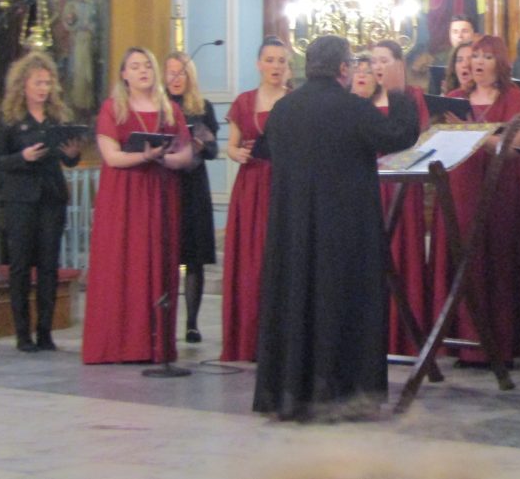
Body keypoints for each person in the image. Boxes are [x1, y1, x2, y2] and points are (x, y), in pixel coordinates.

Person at [253, 35, 419, 421]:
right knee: (340, 300)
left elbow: (267, 150)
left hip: (293, 228)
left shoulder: (283, 109)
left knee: (297, 301)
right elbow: (399, 136)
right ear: (343, 69)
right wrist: (398, 93)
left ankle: (289, 392)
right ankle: (341, 393)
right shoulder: (352, 108)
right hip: (345, 227)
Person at [431, 35, 520, 363]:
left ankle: (500, 344)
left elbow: (517, 143)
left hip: (500, 187)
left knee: (496, 259)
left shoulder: (512, 96)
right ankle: (465, 343)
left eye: (486, 57)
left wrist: (475, 134)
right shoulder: (455, 98)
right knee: (464, 257)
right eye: (475, 56)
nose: (477, 62)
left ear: (500, 63)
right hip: (461, 185)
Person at [82, 47, 193, 364]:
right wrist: (145, 156)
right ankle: (119, 344)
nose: (143, 71)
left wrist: (163, 159)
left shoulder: (170, 109)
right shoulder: (112, 108)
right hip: (124, 196)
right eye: (135, 66)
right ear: (124, 74)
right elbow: (112, 157)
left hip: (160, 193)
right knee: (123, 263)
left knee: (157, 262)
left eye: (147, 65)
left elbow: (186, 155)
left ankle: (154, 345)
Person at [0, 53, 81, 352]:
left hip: (51, 197)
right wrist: (23, 157)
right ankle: (22, 333)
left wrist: (72, 155)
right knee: (20, 266)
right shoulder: (10, 118)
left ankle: (45, 331)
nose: (44, 88)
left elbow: (69, 159)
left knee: (48, 265)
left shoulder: (57, 117)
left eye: (47, 83)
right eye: (38, 83)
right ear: (23, 84)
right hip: (20, 199)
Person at [221, 36, 290, 362]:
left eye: (281, 61)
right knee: (251, 259)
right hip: (251, 185)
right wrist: (238, 154)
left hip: (284, 184)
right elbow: (231, 146)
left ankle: (281, 340)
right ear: (258, 64)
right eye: (270, 60)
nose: (276, 66)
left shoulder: (294, 101)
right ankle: (247, 339)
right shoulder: (244, 101)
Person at [370, 40, 431, 356]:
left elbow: (419, 137)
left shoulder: (412, 96)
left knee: (401, 252)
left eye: (384, 60)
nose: (378, 66)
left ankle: (406, 334)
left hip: (403, 184)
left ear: (399, 64)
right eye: (374, 61)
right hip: (371, 183)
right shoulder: (365, 97)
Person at [164, 51, 219, 345]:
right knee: (165, 257)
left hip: (194, 186)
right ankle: (164, 323)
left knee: (194, 258)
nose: (176, 78)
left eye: (181, 72)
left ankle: (192, 324)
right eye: (171, 72)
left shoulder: (202, 107)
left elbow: (213, 150)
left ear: (190, 76)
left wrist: (200, 143)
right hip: (166, 183)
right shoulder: (158, 106)